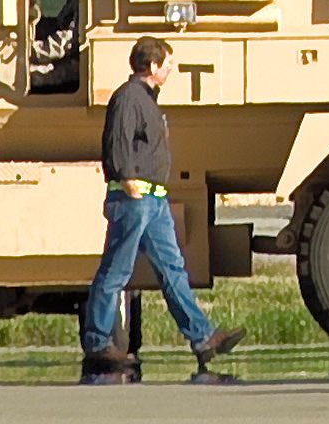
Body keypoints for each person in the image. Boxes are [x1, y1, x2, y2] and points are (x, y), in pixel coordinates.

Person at [80, 38, 232, 376]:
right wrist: (127, 178)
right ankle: (97, 342)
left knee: (173, 270)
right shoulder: (128, 98)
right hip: (134, 199)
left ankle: (203, 338)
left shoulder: (147, 100)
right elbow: (117, 142)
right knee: (116, 272)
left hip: (155, 200)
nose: (171, 70)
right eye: (168, 64)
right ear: (151, 66)